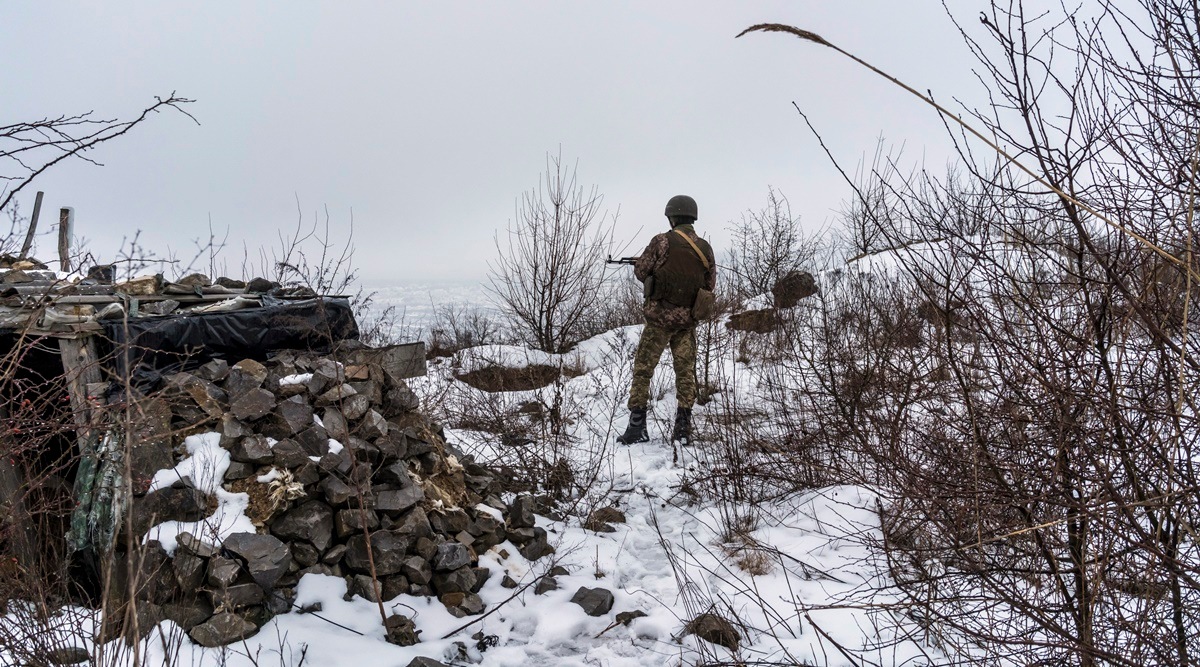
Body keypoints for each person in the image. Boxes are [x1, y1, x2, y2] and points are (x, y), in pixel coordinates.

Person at [617, 194, 716, 445]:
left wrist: (646, 266)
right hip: (687, 323)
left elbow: (642, 272)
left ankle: (637, 427)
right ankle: (682, 429)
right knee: (685, 373)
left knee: (643, 371)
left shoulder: (661, 241)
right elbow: (709, 284)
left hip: (659, 322)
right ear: (692, 216)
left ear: (671, 217)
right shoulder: (705, 248)